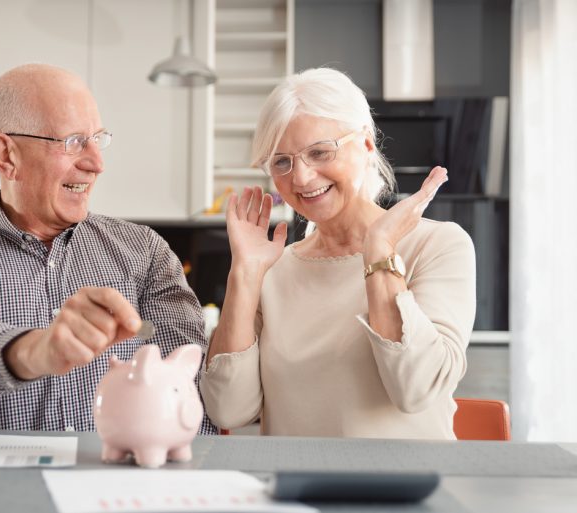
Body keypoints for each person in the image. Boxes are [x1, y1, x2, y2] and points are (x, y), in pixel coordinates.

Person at [0, 63, 216, 434]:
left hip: (119, 482)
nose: (96, 163)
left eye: (97, 139)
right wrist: (39, 350)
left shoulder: (143, 252)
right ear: (7, 156)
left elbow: (186, 383)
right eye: (72, 142)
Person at [200, 67, 476, 439]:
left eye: (319, 152)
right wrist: (245, 274)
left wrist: (379, 251)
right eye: (282, 161)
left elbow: (417, 389)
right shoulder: (272, 269)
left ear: (365, 145)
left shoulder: (439, 246)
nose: (300, 178)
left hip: (406, 492)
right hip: (294, 492)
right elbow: (228, 409)